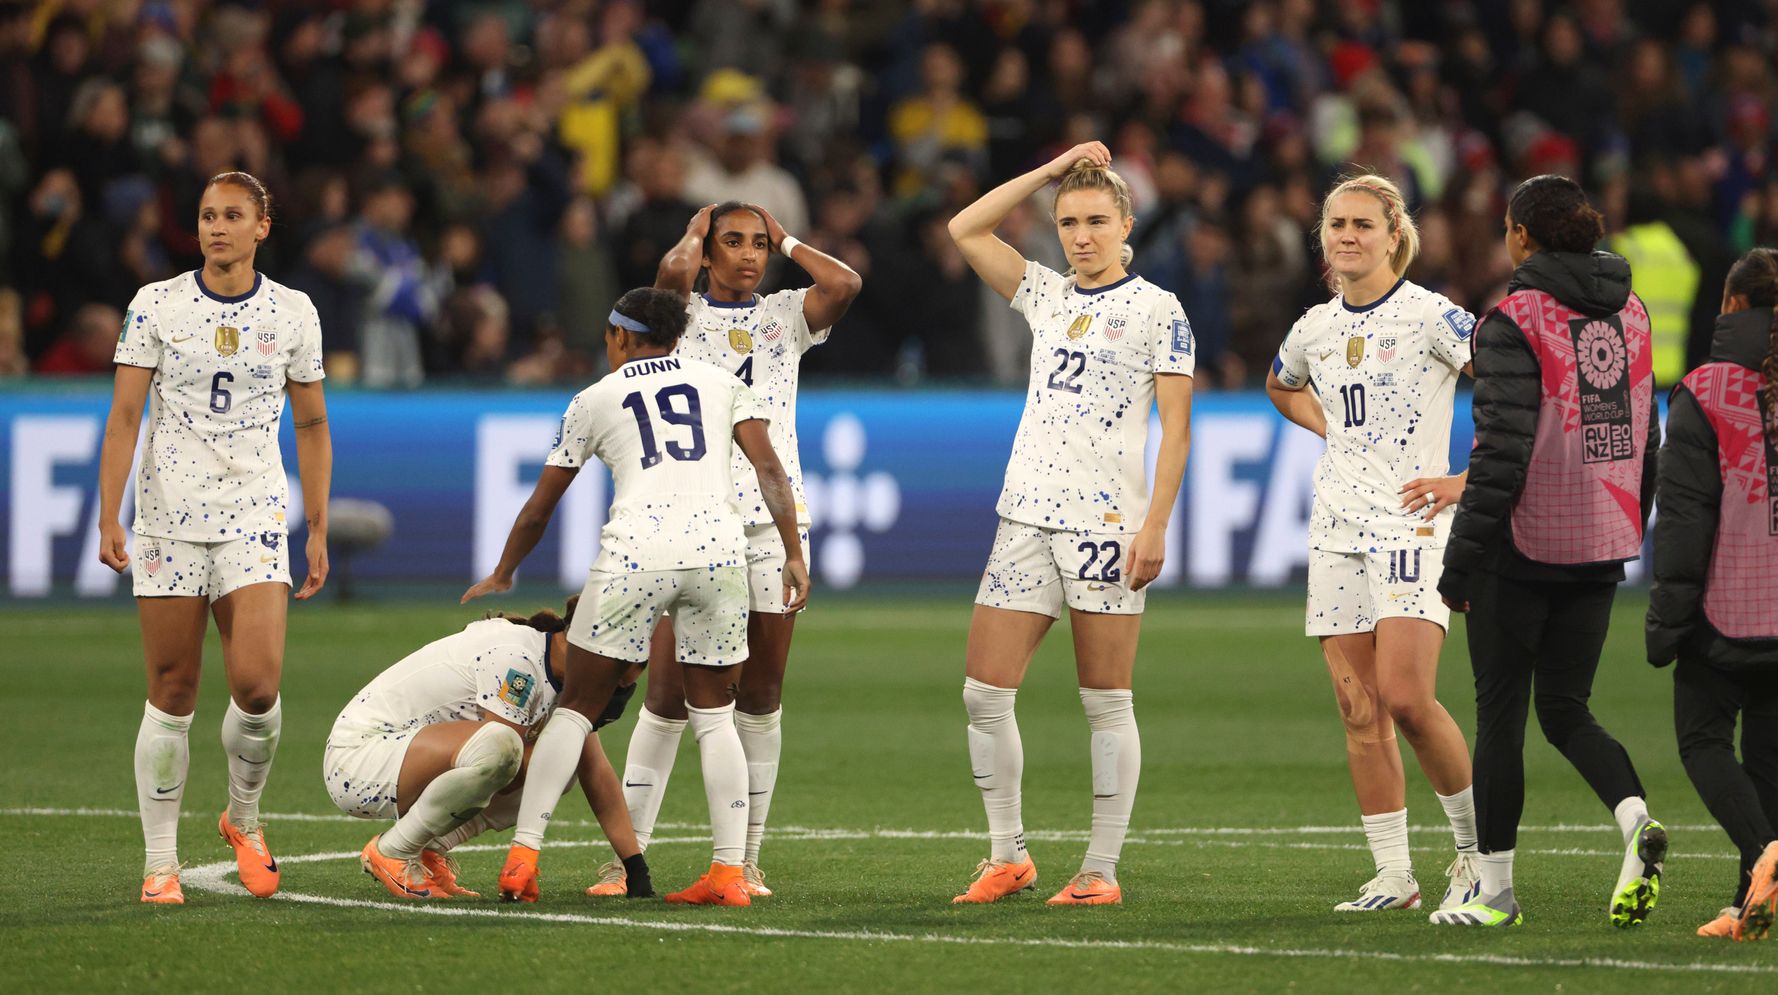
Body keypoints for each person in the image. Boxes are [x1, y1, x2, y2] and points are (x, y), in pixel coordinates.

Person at [463, 286, 809, 907]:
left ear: (619, 335)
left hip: (636, 555)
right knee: (714, 716)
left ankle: (522, 859)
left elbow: (541, 508)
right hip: (720, 552)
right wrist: (792, 552)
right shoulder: (720, 381)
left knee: (574, 710)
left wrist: (505, 571)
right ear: (678, 335)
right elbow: (771, 473)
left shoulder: (594, 398)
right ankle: (730, 874)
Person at [944, 142, 1193, 906]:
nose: (1080, 236)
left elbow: (1178, 430)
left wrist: (1155, 525)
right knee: (983, 692)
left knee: (1104, 700)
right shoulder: (1046, 294)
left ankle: (1100, 870)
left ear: (1126, 224)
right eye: (1067, 222)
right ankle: (1007, 854)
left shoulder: (1159, 310)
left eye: (1095, 221)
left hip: (1105, 525)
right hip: (1024, 514)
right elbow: (966, 228)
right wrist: (1048, 169)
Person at [604, 200, 859, 899]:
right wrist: (691, 230)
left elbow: (845, 285)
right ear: (709, 251)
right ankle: (625, 859)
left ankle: (744, 859)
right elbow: (666, 277)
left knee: (762, 696)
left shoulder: (784, 316)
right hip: (692, 522)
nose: (749, 255)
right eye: (732, 242)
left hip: (772, 526)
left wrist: (790, 239)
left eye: (757, 244)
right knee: (664, 696)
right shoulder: (678, 320)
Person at [96, 171, 332, 905]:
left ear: (263, 226)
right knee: (172, 690)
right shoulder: (156, 305)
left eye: (232, 215)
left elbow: (313, 423)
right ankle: (160, 863)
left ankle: (244, 816)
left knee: (258, 686)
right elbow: (126, 416)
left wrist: (317, 524)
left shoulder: (293, 312)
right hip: (168, 517)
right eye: (206, 215)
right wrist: (110, 513)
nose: (216, 227)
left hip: (254, 516)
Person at [1435, 174, 1664, 928]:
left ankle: (1495, 890)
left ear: (1523, 237)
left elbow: (1500, 451)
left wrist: (1460, 562)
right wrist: (1630, 517)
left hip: (1522, 546)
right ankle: (1636, 821)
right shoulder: (1633, 311)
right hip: (1602, 540)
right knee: (1566, 708)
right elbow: (1645, 433)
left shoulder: (1513, 319)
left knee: (1500, 715)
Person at [1265, 174, 1482, 917]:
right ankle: (1394, 872)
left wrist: (1466, 477)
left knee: (1408, 697)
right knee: (1359, 710)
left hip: (1413, 524)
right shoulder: (1316, 327)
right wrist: (1330, 428)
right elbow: (1280, 383)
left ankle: (1476, 858)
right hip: (1336, 526)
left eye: (1362, 224)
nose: (1347, 237)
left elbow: (1519, 388)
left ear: (1395, 234)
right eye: (1336, 225)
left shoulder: (1434, 317)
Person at [325, 600, 654, 901]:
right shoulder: (518, 660)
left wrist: (635, 868)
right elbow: (503, 756)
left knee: (559, 763)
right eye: (615, 677)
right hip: (359, 759)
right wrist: (524, 852)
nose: (613, 691)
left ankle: (429, 851)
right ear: (585, 647)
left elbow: (596, 774)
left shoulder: (567, 675)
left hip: (401, 759)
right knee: (506, 749)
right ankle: (394, 850)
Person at [1647, 247, 1778, 941]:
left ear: (1730, 306)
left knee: (1702, 739)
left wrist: (1667, 617)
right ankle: (1747, 905)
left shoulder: (1706, 390)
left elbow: (1686, 516)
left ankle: (1766, 856)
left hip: (1728, 606)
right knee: (1767, 755)